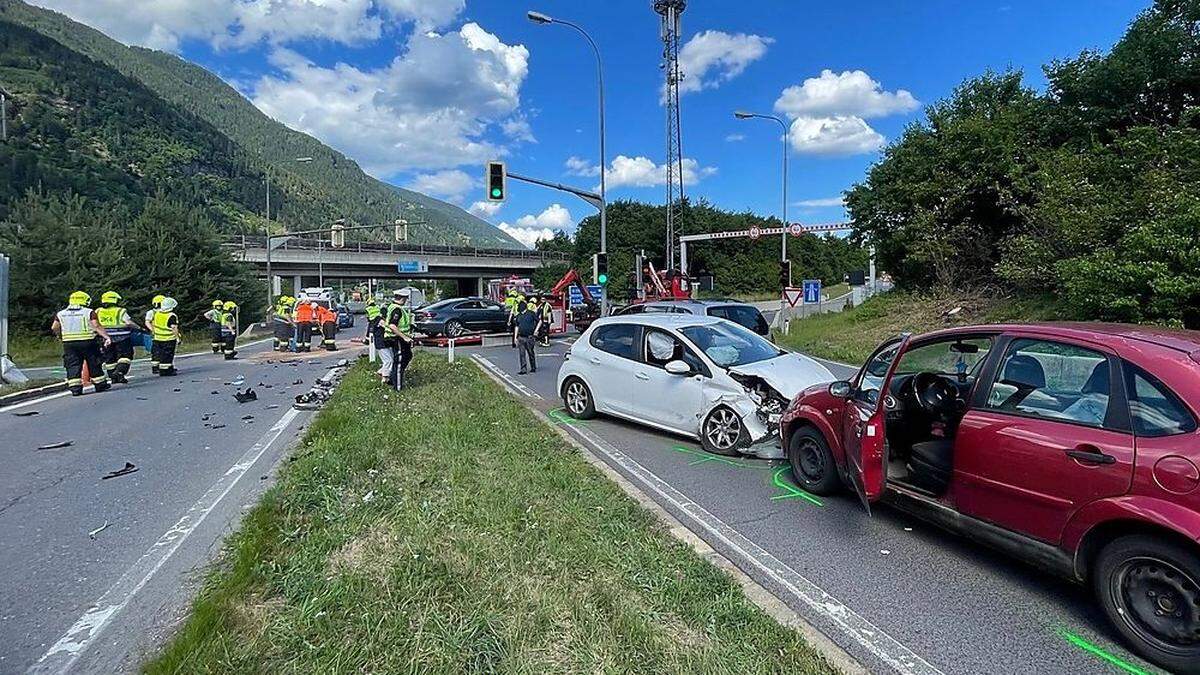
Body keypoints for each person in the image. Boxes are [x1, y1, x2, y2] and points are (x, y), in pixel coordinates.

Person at [52, 291, 113, 396]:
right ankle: (100, 384)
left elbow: (54, 327)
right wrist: (106, 337)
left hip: (69, 343)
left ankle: (75, 388)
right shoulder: (89, 312)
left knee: (72, 364)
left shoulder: (61, 313)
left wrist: (60, 336)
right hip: (88, 341)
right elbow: (96, 326)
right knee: (94, 362)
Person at [96, 290, 137, 384]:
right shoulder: (120, 311)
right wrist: (138, 328)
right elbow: (128, 322)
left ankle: (113, 377)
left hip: (105, 338)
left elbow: (94, 324)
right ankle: (119, 372)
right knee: (125, 356)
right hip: (122, 338)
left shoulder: (98, 311)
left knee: (110, 358)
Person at [384, 288, 414, 389]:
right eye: (406, 298)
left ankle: (393, 379)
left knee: (408, 355)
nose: (406, 301)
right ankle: (398, 387)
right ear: (403, 298)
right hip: (396, 338)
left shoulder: (394, 307)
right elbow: (393, 326)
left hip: (398, 338)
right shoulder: (397, 309)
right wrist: (405, 337)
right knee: (399, 362)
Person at [151, 296, 182, 375]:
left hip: (157, 338)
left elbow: (153, 324)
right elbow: (174, 327)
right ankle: (166, 370)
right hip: (168, 338)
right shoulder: (171, 316)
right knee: (167, 355)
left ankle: (162, 368)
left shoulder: (157, 313)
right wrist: (177, 337)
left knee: (160, 354)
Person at [513, 296, 542, 375]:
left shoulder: (531, 313)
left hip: (530, 337)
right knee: (522, 354)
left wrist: (536, 330)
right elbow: (517, 327)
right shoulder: (518, 316)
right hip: (521, 337)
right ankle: (523, 369)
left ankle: (533, 367)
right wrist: (515, 338)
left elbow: (539, 321)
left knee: (530, 353)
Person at [145, 294, 164, 373]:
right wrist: (153, 330)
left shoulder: (165, 311)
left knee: (165, 350)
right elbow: (147, 322)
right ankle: (155, 367)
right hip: (156, 334)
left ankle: (164, 366)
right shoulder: (151, 312)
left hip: (165, 334)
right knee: (156, 351)